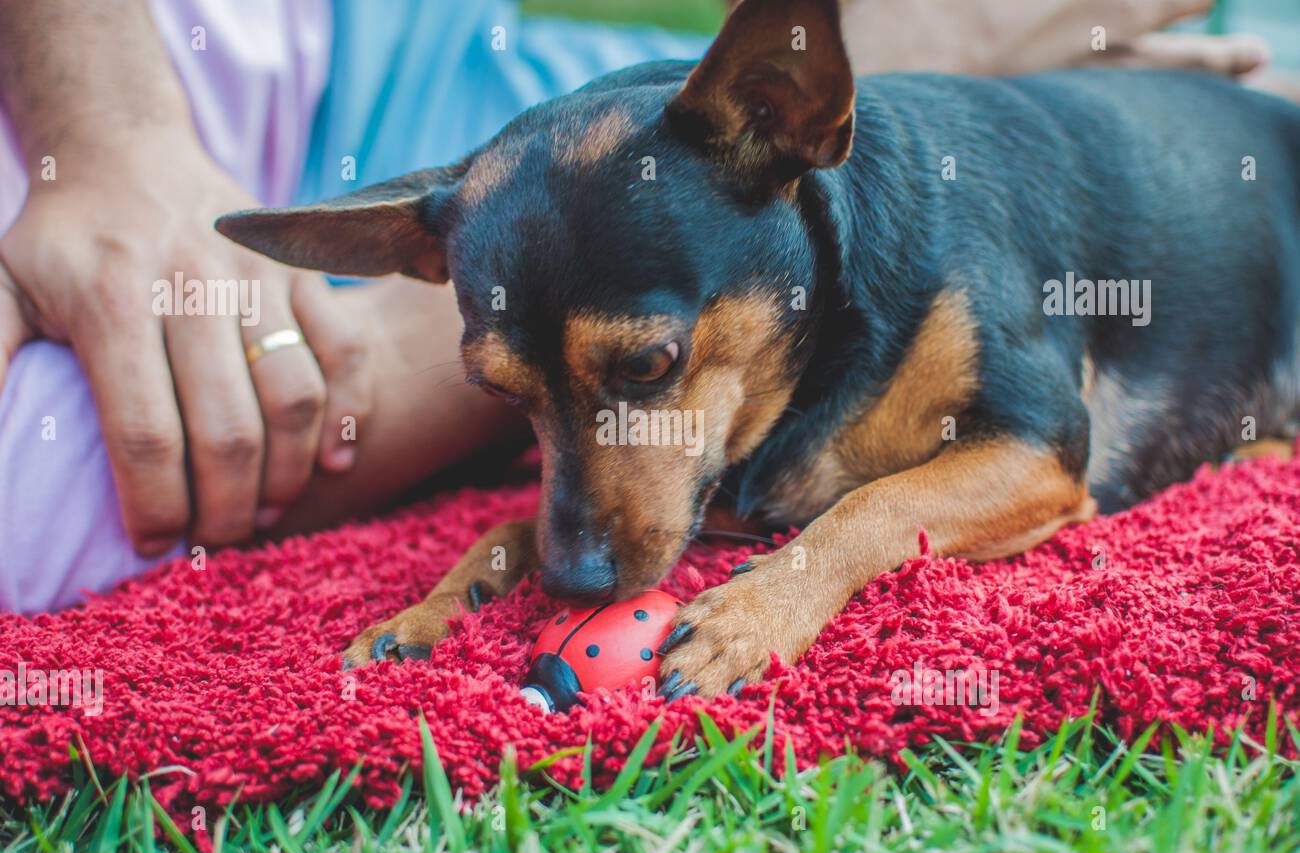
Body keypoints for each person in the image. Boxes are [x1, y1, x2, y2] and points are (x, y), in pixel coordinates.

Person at [0, 0, 1282, 613]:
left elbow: (1039, 464)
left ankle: (979, 29)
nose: (581, 546)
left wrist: (813, 574)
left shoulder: (920, 261)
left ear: (786, 121)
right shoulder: (582, 285)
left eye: (647, 368)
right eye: (518, 396)